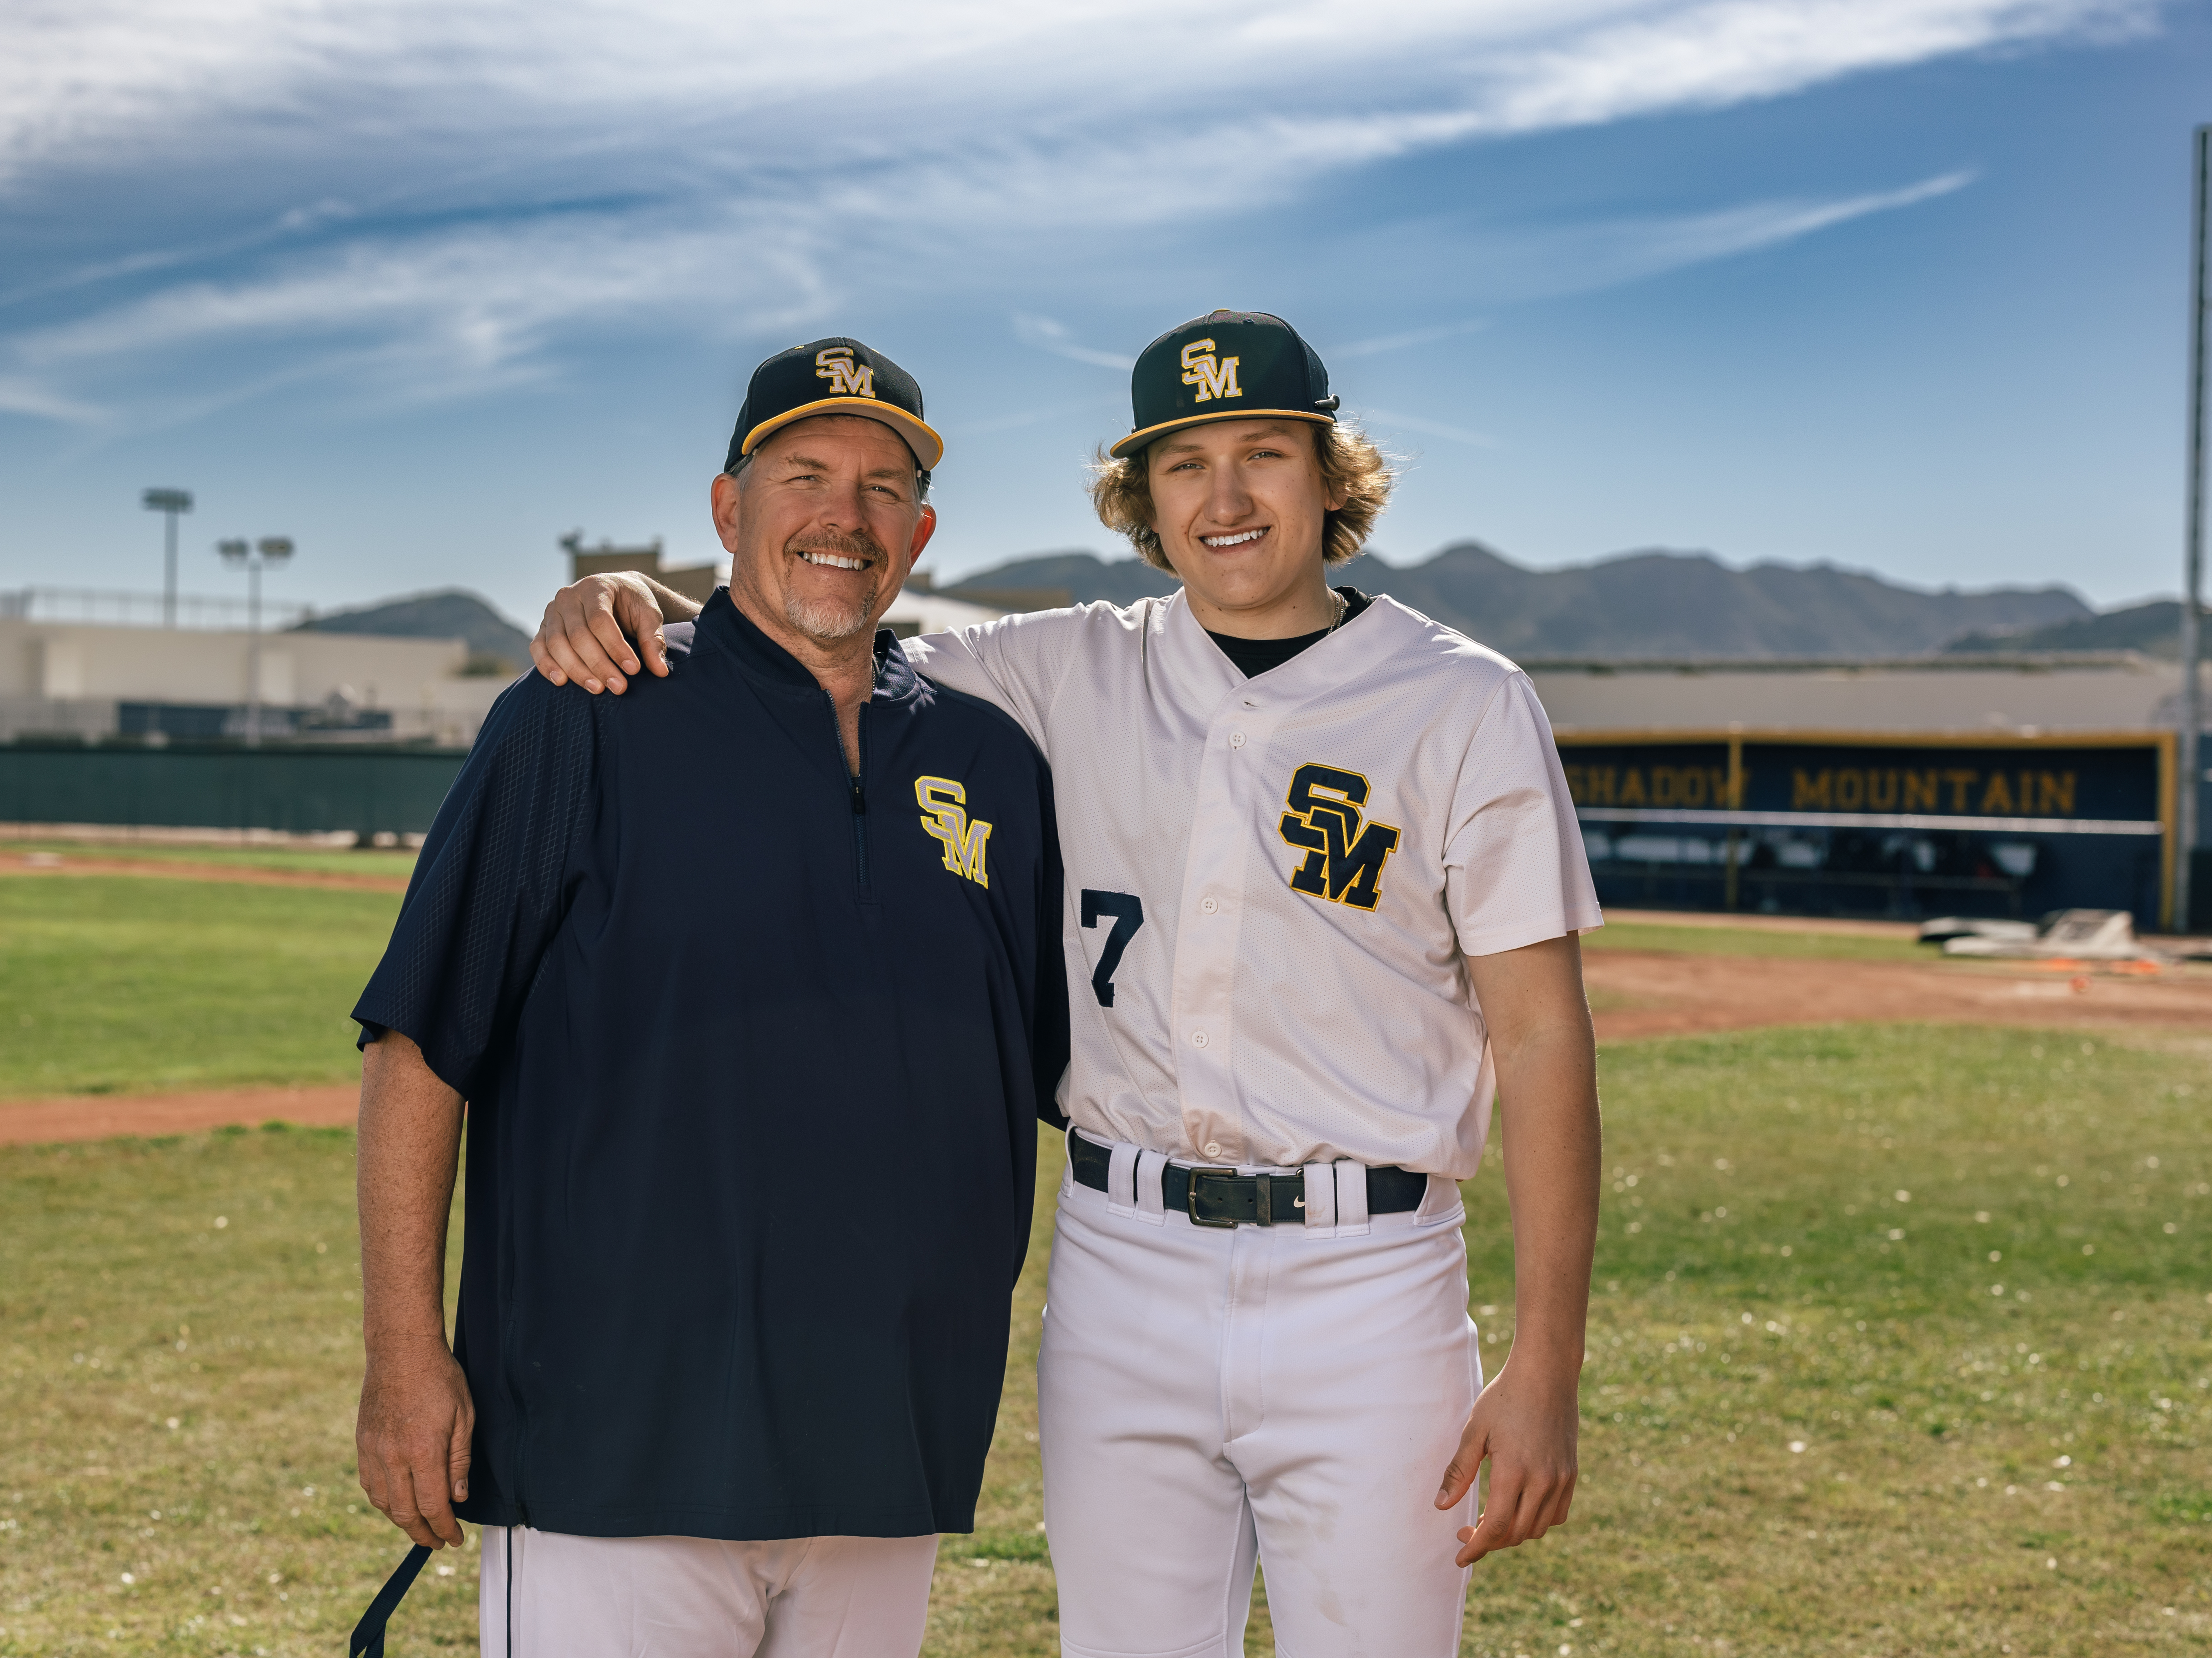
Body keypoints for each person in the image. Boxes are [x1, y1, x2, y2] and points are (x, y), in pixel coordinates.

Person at [531, 309, 1603, 1658]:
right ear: (1141, 498)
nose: (1225, 497)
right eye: (1182, 464)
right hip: (1123, 1262)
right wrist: (633, 601)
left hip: (1370, 1277)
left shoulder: (1464, 701)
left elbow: (1547, 1040)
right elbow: (808, 635)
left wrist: (1547, 1362)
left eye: (1265, 453)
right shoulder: (1060, 665)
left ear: (1331, 477)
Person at [353, 336, 1066, 1658]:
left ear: (919, 529)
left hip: (880, 1446)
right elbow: (420, 1048)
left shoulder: (992, 762)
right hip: (612, 1443)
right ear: (730, 509)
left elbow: (1044, 1070)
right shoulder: (588, 712)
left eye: (878, 485)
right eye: (804, 475)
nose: (842, 517)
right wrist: (407, 1355)